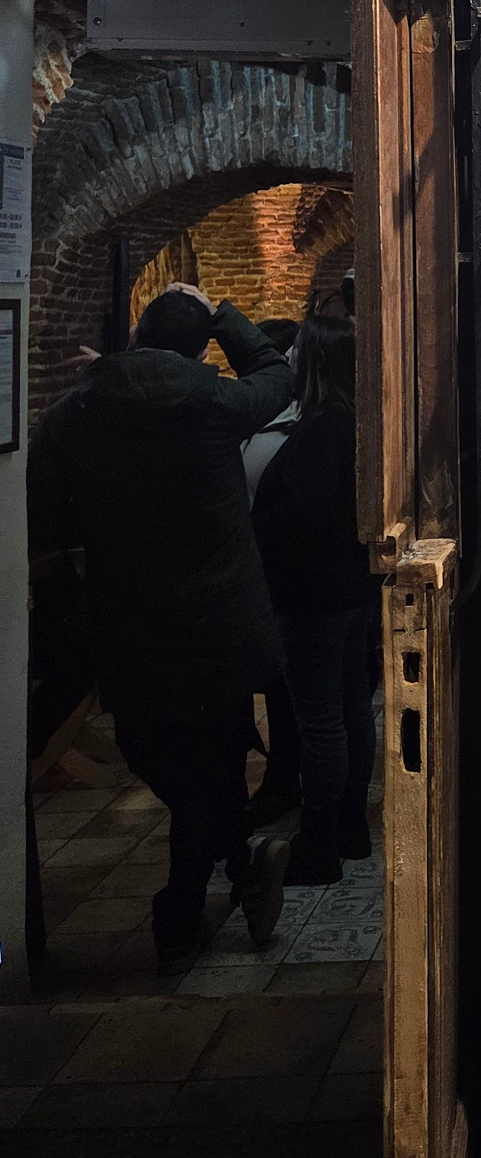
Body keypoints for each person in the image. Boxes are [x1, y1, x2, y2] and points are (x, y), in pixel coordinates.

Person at [28, 284, 294, 971]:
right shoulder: (213, 404)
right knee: (214, 766)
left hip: (133, 624)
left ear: (137, 335)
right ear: (199, 349)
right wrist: (222, 312)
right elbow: (276, 372)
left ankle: (187, 908)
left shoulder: (80, 409)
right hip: (218, 626)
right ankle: (220, 876)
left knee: (158, 755)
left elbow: (41, 511)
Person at [252, 314, 379, 884]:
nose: (291, 360)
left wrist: (255, 534)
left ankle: (320, 845)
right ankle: (351, 829)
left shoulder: (320, 432)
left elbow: (297, 518)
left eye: (298, 351)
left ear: (317, 361)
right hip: (352, 589)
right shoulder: (359, 425)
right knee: (351, 706)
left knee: (321, 719)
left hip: (314, 597)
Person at [241, 317, 301, 825]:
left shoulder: (294, 428)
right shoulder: (247, 418)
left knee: (287, 692)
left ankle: (284, 783)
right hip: (248, 576)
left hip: (281, 578)